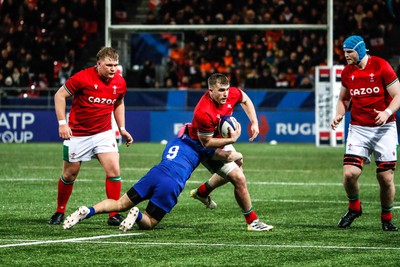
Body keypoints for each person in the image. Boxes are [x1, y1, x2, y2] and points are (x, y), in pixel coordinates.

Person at [63, 134, 243, 231]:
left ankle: (90, 210)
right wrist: (234, 144)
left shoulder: (174, 141)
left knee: (119, 203)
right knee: (150, 222)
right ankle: (138, 215)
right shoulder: (203, 147)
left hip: (155, 173)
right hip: (172, 183)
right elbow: (229, 156)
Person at [48, 47, 134, 226]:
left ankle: (113, 214)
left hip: (104, 133)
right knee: (69, 174)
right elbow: (59, 95)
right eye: (109, 65)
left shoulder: (119, 82)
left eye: (115, 65)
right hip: (78, 134)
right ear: (99, 64)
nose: (113, 69)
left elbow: (119, 103)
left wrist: (123, 128)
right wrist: (62, 123)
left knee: (114, 171)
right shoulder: (82, 77)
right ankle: (59, 211)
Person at [188, 73, 273, 231]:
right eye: (221, 90)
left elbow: (245, 99)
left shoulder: (231, 94)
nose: (225, 93)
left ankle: (202, 192)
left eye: (226, 89)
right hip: (202, 145)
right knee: (239, 178)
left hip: (219, 140)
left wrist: (254, 122)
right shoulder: (203, 111)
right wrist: (231, 140)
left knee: (238, 166)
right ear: (210, 90)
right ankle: (252, 221)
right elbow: (206, 143)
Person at [331, 35, 400, 231]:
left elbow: (398, 95)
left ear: (360, 50)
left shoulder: (381, 66)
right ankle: (354, 208)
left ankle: (386, 217)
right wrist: (339, 114)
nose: (346, 55)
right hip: (359, 128)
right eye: (344, 52)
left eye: (349, 52)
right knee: (349, 174)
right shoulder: (347, 72)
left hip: (384, 129)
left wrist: (387, 112)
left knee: (386, 178)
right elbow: (344, 99)